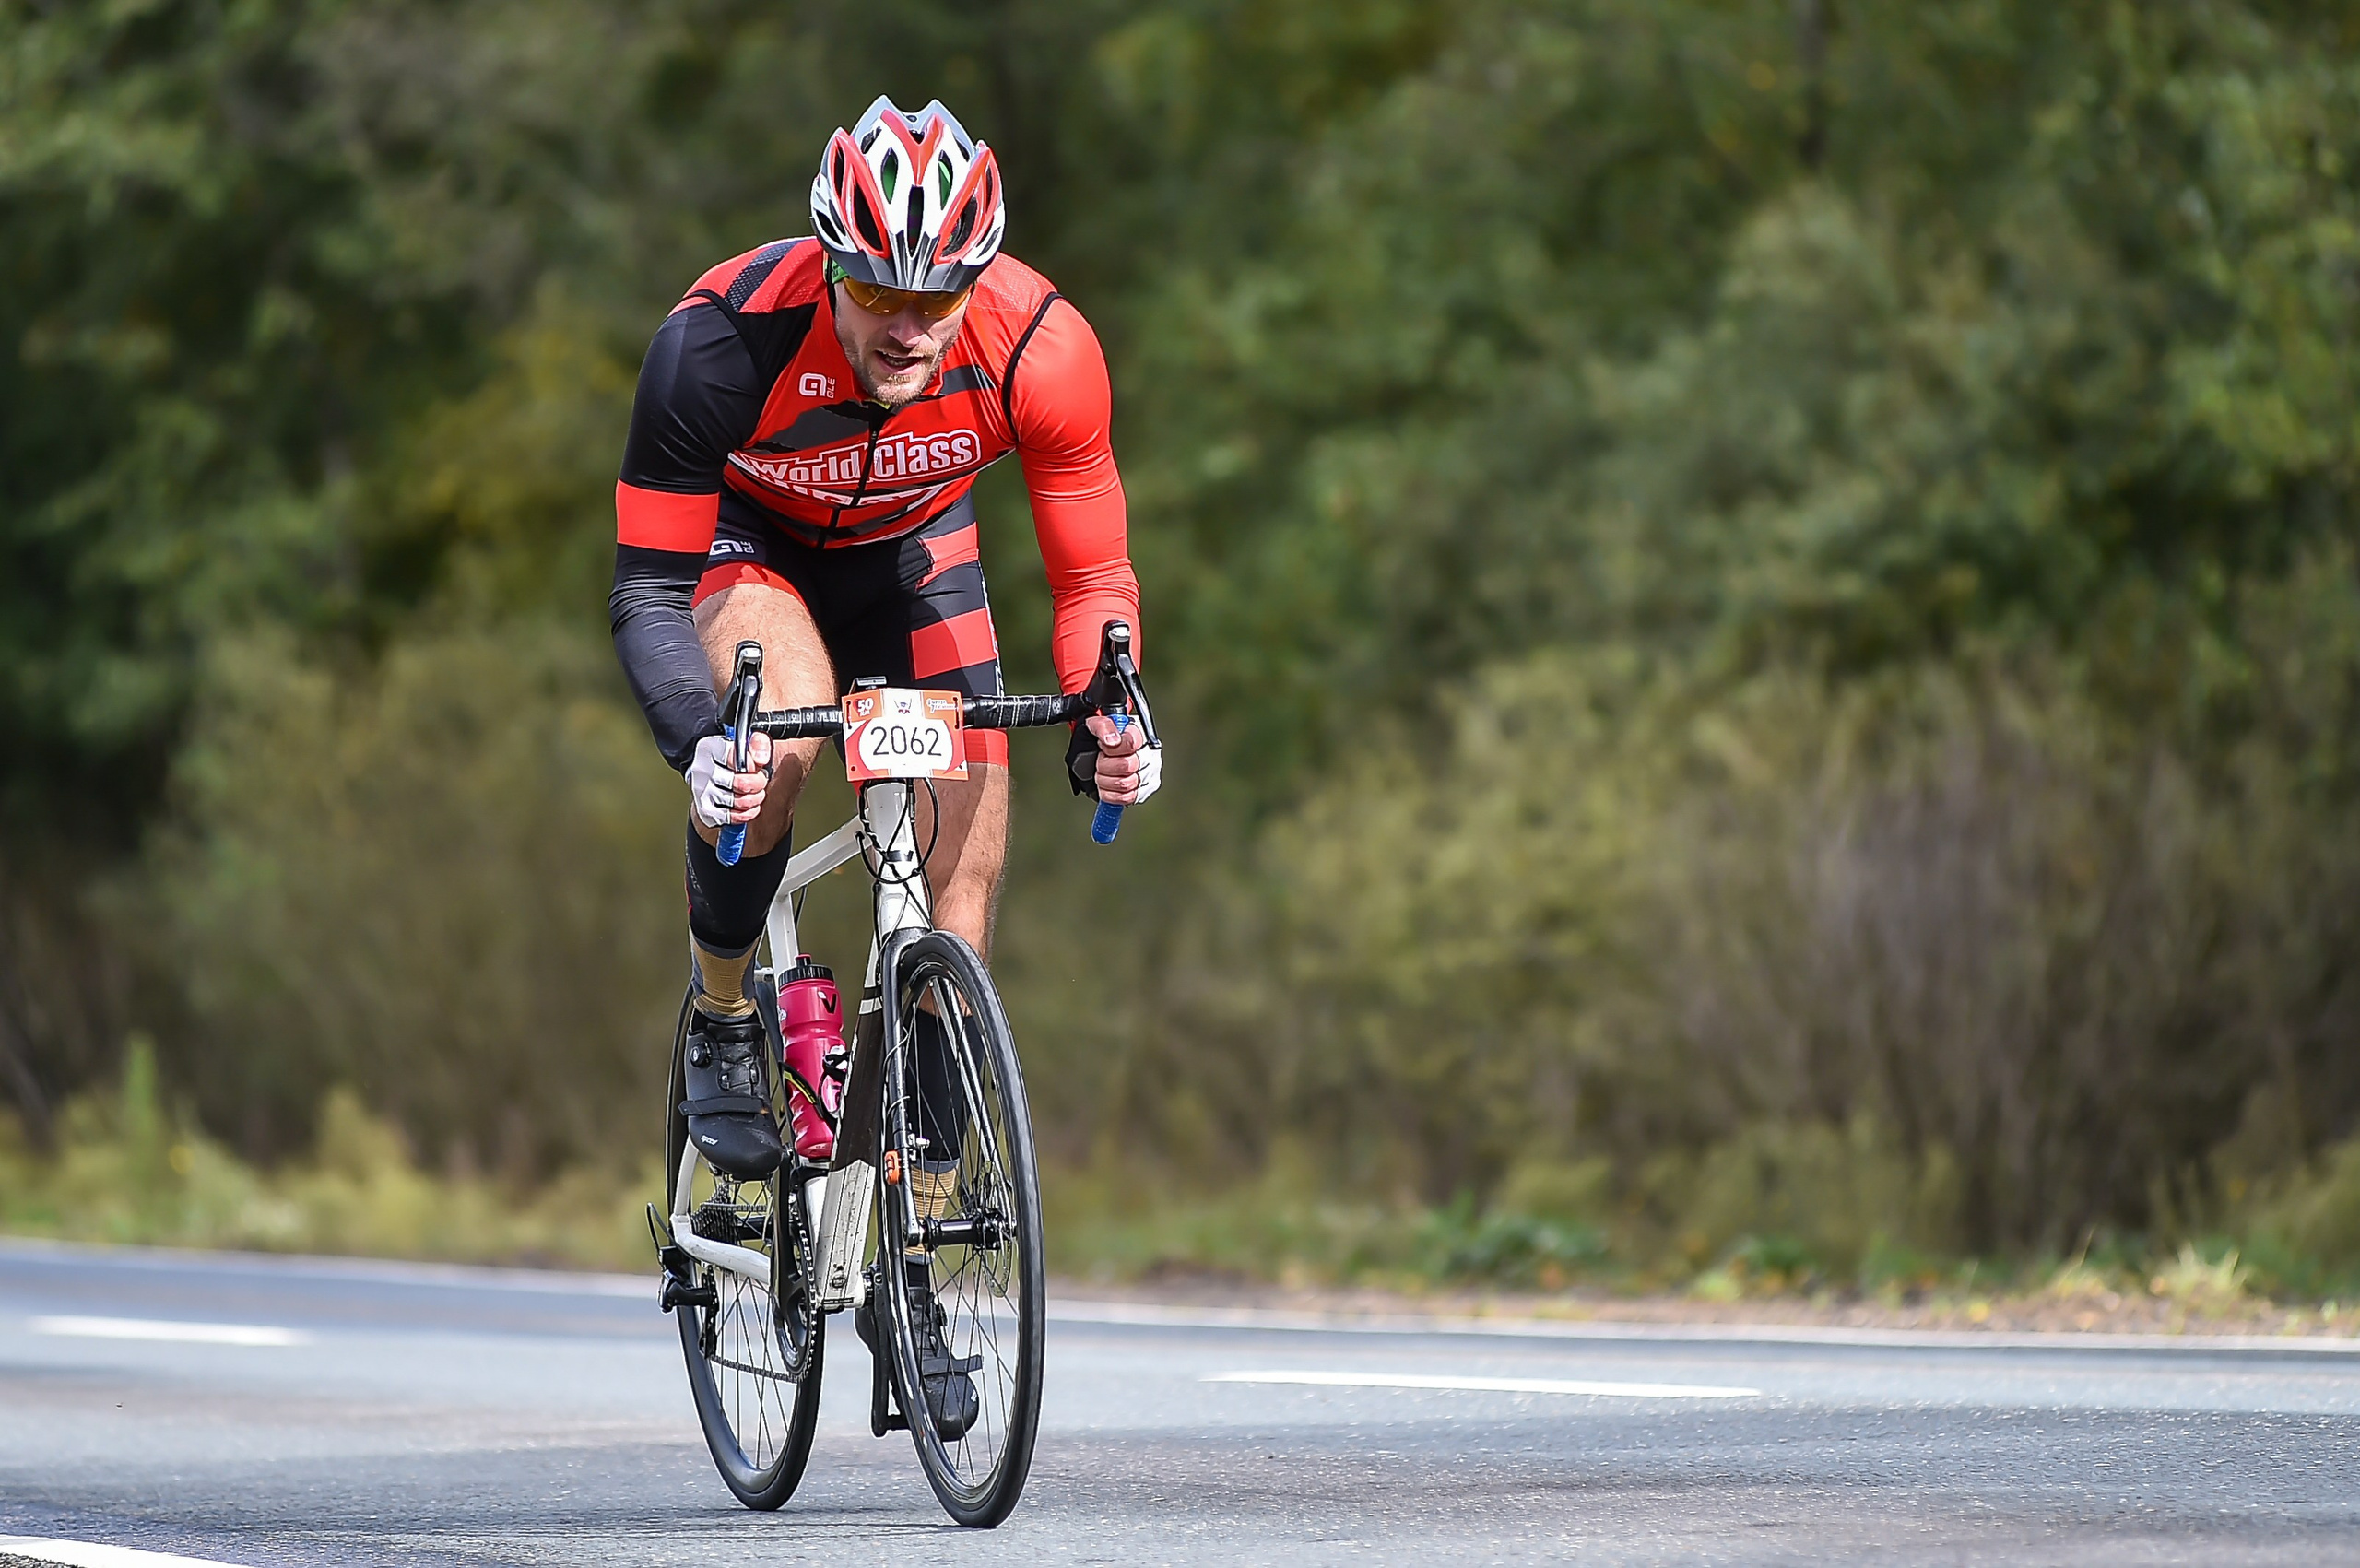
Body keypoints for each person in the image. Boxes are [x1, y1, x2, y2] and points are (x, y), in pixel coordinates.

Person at [608, 96, 1156, 1435]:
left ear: (979, 280)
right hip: (751, 551)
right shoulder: (720, 344)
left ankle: (906, 1235)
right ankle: (726, 1013)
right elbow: (647, 591)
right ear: (829, 266)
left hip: (914, 557)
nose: (908, 326)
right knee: (779, 725)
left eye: (937, 298)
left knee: (963, 861)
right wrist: (702, 741)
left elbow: (1094, 580)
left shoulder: (1042, 346)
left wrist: (1114, 709)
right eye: (877, 294)